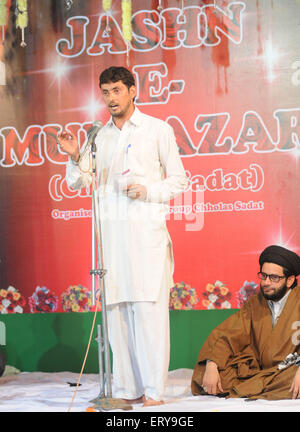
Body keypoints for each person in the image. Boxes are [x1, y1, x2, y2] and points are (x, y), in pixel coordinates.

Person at [57, 66, 188, 406]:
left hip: (146, 239)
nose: (110, 98)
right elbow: (79, 182)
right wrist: (75, 156)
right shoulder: (99, 136)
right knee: (117, 319)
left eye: (116, 90)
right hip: (111, 243)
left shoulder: (157, 130)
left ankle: (155, 393)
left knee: (148, 317)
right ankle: (127, 391)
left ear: (133, 90)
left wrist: (147, 190)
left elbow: (179, 181)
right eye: (105, 92)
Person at [191, 244, 300, 400]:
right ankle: (261, 387)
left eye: (274, 278)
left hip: (288, 371)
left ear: (289, 280)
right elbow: (229, 333)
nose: (266, 282)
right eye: (263, 276)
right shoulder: (255, 303)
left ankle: (254, 387)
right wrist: (212, 363)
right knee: (205, 374)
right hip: (259, 372)